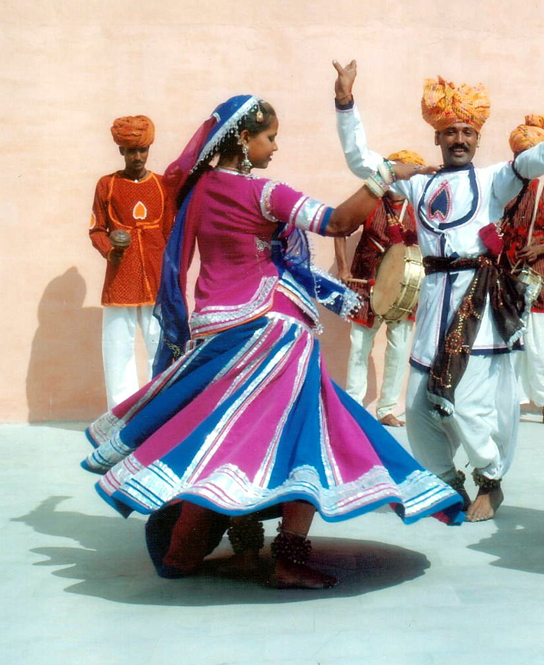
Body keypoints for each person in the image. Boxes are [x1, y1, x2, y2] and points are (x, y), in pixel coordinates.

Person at [81, 94, 463, 589]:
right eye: (270, 137)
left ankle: (218, 552)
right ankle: (287, 559)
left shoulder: (198, 191)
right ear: (243, 139)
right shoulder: (264, 193)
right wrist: (388, 173)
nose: (275, 147)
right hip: (277, 333)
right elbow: (337, 222)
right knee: (303, 436)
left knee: (231, 442)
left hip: (219, 336)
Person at [333, 59, 544, 521]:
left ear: (478, 138)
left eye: (467, 132)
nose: (459, 139)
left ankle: (490, 479)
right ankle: (446, 482)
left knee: (467, 403)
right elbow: (363, 162)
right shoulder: (418, 182)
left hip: (478, 306)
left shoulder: (493, 181)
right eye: (450, 132)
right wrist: (345, 103)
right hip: (432, 304)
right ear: (437, 138)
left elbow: (531, 161)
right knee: (420, 403)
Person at [334, 150, 425, 428]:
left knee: (398, 349)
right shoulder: (371, 201)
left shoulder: (418, 208)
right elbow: (339, 228)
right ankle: (353, 404)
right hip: (367, 282)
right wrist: (343, 269)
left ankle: (386, 408)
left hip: (404, 288)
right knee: (360, 345)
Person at [89, 115, 174, 408]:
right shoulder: (107, 185)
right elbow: (97, 229)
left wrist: (171, 274)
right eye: (131, 151)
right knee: (117, 348)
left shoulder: (163, 186)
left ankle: (157, 411)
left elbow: (170, 234)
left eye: (142, 150)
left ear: (149, 150)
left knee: (160, 344)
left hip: (156, 274)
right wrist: (110, 250)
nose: (137, 157)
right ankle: (121, 414)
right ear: (121, 152)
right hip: (120, 275)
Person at [502, 115, 544, 426]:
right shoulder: (503, 189)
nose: (523, 162)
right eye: (519, 157)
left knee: (543, 348)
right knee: (509, 344)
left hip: (539, 279)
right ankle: (510, 405)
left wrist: (539, 248)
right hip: (506, 276)